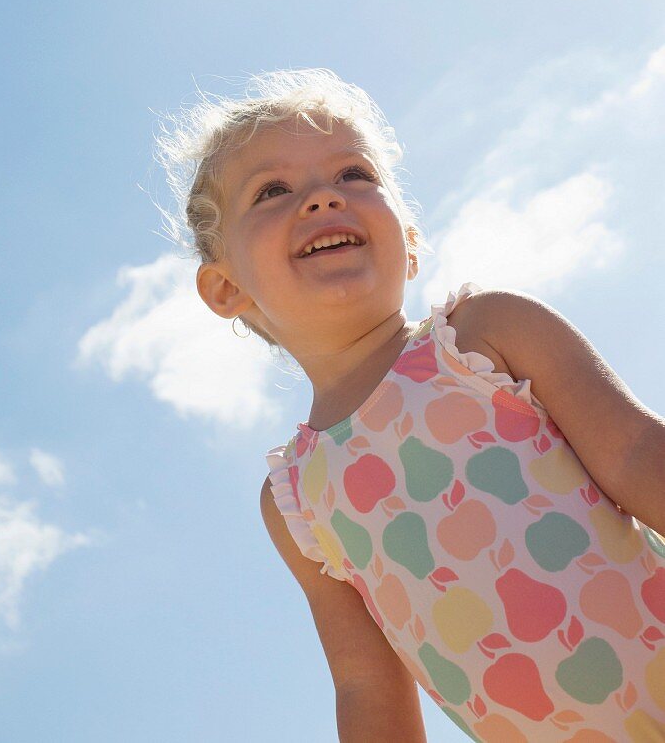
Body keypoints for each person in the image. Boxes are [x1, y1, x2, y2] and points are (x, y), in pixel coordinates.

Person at [156, 67, 665, 741]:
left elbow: (636, 454)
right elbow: (366, 686)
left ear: (412, 242)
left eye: (354, 176)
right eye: (273, 190)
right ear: (225, 289)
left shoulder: (485, 336)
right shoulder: (296, 502)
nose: (322, 200)